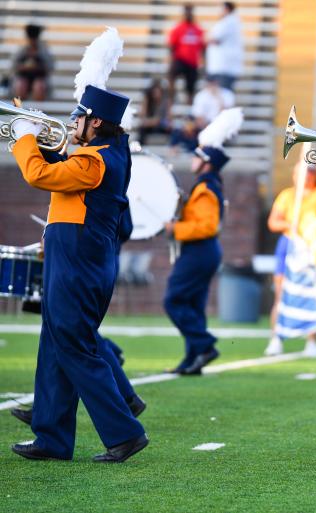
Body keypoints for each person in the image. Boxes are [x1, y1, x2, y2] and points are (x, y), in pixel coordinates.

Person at [9, 77, 149, 462]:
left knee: (74, 347)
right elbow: (61, 170)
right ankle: (52, 438)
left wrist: (23, 139)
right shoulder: (104, 154)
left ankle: (125, 433)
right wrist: (35, 141)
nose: (72, 125)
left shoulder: (96, 159)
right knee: (55, 345)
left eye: (79, 119)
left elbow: (38, 175)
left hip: (78, 264)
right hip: (76, 260)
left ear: (97, 123)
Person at [10, 211, 147, 426]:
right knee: (63, 334)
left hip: (87, 258)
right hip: (77, 256)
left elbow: (125, 227)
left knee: (77, 333)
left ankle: (126, 401)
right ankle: (46, 413)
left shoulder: (93, 182)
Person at [164, 108, 242, 375]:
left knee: (174, 300)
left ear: (206, 160)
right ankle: (192, 359)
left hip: (201, 250)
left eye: (198, 156)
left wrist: (176, 228)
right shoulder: (205, 185)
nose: (193, 160)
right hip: (202, 251)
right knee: (193, 306)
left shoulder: (207, 188)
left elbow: (207, 226)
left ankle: (204, 345)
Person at [265, 162, 316, 357]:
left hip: (315, 247)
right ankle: (276, 338)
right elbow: (273, 222)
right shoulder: (288, 195)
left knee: (313, 295)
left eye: (307, 172)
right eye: (299, 172)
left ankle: (312, 341)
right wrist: (289, 223)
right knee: (281, 294)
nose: (302, 176)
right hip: (290, 245)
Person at [167, 4, 205, 105]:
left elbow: (202, 47)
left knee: (191, 87)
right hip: (180, 60)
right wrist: (171, 61)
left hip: (192, 63)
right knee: (171, 74)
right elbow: (172, 45)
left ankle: (189, 106)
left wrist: (203, 62)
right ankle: (171, 98)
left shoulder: (198, 29)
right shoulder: (178, 28)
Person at [205, 2, 243, 91]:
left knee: (223, 95)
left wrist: (205, 37)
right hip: (222, 66)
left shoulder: (228, 22)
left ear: (226, 9)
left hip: (224, 67)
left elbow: (213, 39)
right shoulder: (231, 22)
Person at [12, 24, 54, 102]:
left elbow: (50, 67)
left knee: (39, 86)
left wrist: (37, 67)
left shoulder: (43, 50)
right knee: (21, 85)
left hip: (39, 78)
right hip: (23, 77)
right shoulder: (22, 50)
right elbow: (14, 66)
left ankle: (38, 110)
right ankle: (20, 108)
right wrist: (23, 67)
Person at [138, 78, 172, 145]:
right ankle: (141, 146)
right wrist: (155, 121)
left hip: (161, 126)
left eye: (158, 92)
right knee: (142, 129)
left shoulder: (166, 101)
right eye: (154, 92)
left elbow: (169, 120)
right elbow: (143, 120)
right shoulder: (147, 101)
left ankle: (170, 147)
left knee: (171, 130)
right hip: (150, 126)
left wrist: (157, 121)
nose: (156, 95)